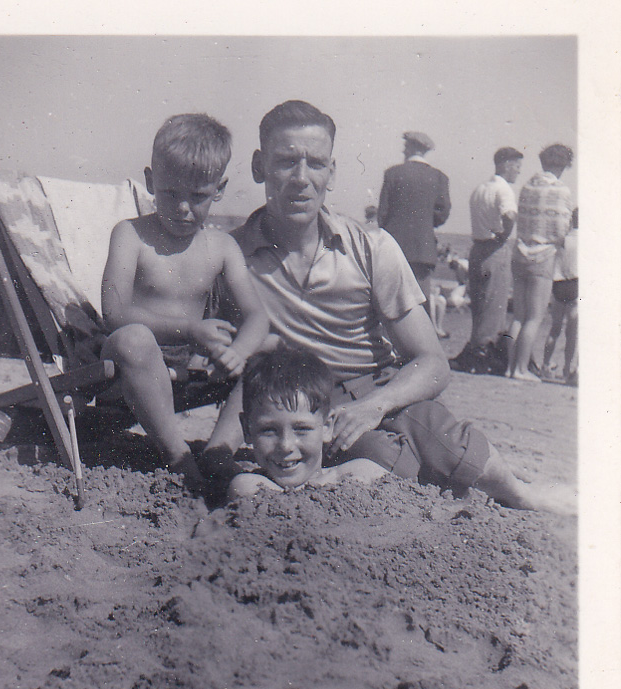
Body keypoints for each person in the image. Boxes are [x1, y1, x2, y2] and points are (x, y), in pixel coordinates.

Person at [204, 100, 574, 515]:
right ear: (259, 166)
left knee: (434, 433)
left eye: (316, 164)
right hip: (290, 403)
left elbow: (433, 363)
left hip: (370, 388)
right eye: (286, 162)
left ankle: (519, 493)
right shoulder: (230, 255)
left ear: (332, 171)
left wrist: (374, 406)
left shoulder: (370, 247)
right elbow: (230, 362)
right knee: (379, 460)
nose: (302, 179)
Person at [100, 113, 269, 490]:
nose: (182, 208)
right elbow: (113, 313)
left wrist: (237, 352)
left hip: (188, 373)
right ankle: (180, 458)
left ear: (219, 189)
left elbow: (258, 316)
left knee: (267, 352)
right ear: (149, 182)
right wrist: (192, 330)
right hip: (129, 367)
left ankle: (218, 451)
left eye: (198, 196)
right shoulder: (131, 235)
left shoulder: (223, 247)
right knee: (134, 338)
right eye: (170, 193)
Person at [228, 345, 389, 497]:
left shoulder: (361, 473)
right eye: (269, 430)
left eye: (301, 429)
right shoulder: (250, 487)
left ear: (327, 426)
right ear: (247, 429)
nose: (286, 446)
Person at [504, 143, 574, 382]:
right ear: (564, 166)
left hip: (520, 253)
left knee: (518, 317)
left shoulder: (527, 186)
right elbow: (562, 230)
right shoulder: (562, 190)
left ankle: (509, 367)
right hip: (542, 256)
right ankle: (520, 370)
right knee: (534, 318)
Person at [452, 147, 523, 375]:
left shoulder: (480, 189)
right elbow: (510, 215)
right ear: (505, 165)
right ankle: (481, 356)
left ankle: (475, 350)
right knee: (495, 307)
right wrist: (504, 234)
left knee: (479, 306)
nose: (518, 172)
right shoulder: (504, 190)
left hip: (477, 249)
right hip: (496, 249)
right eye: (516, 167)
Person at [377, 130, 451, 303]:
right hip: (423, 252)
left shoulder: (392, 174)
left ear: (410, 148)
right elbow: (443, 213)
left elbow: (382, 214)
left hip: (393, 250)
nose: (403, 151)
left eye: (405, 147)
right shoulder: (439, 177)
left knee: (390, 303)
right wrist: (424, 224)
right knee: (420, 305)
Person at [541, 207, 578, 385]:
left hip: (559, 284)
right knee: (572, 334)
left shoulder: (563, 240)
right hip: (576, 285)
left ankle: (546, 365)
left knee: (554, 329)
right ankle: (566, 370)